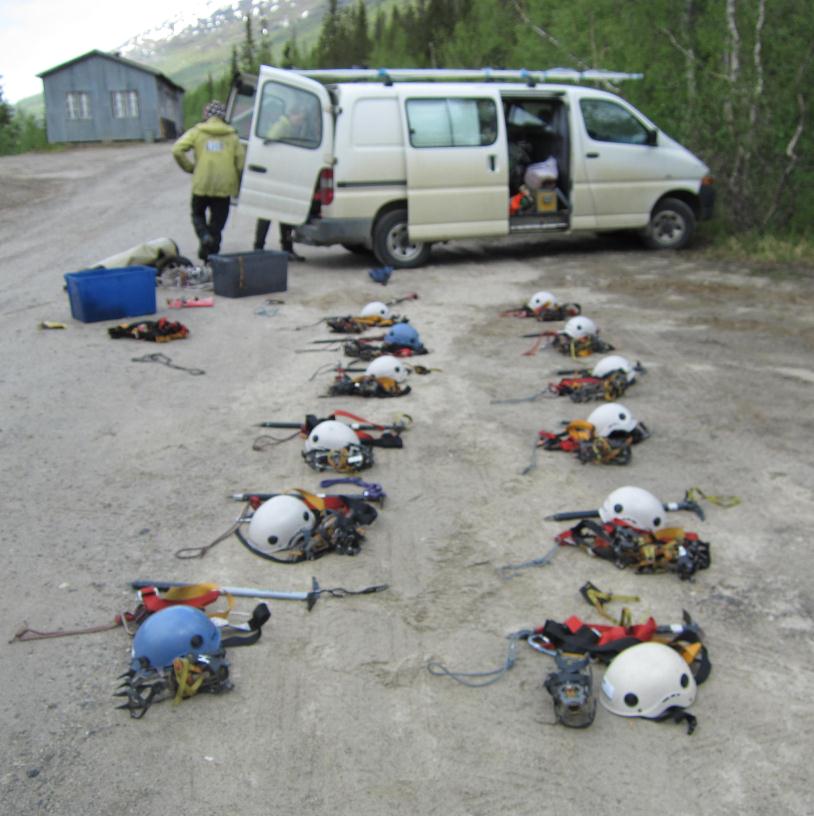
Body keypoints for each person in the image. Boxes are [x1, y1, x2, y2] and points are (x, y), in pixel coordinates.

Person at [172, 101, 245, 262]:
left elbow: (177, 149)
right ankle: (211, 257)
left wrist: (190, 167)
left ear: (206, 116)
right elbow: (240, 163)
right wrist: (238, 182)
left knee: (197, 214)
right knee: (217, 222)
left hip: (202, 184)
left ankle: (204, 236)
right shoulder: (232, 136)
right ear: (222, 117)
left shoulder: (197, 132)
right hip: (224, 186)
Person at [254, 104, 310, 261]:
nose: (301, 122)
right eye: (300, 118)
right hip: (275, 176)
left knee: (285, 214)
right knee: (267, 213)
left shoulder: (289, 127)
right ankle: (259, 247)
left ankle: (286, 247)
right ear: (293, 115)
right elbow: (268, 145)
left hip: (283, 176)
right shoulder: (281, 127)